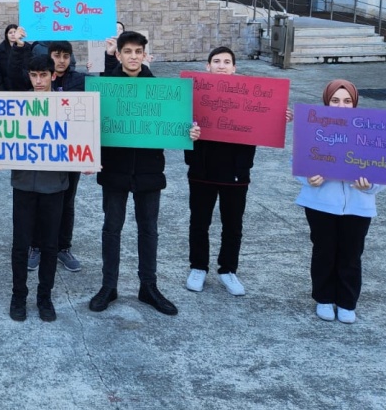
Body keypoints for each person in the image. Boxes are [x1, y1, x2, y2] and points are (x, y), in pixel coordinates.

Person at [89, 31, 201, 316]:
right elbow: (89, 126)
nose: (133, 57)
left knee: (148, 230)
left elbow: (175, 126)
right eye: (128, 51)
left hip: (150, 171)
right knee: (111, 229)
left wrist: (188, 132)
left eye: (138, 51)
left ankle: (148, 286)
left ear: (145, 54)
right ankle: (109, 286)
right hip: (114, 170)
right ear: (118, 54)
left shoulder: (162, 90)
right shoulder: (104, 88)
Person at [184, 47, 274, 297]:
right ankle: (198, 267)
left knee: (232, 224)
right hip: (202, 170)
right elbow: (178, 123)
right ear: (207, 66)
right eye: (216, 61)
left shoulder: (250, 97)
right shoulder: (193, 95)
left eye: (226, 62)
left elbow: (268, 118)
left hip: (235, 173)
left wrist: (281, 115)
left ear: (234, 68)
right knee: (199, 223)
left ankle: (228, 269)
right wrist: (188, 134)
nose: (221, 65)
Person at [297, 80, 384, 324]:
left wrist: (371, 185)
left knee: (351, 254)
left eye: (347, 101)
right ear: (326, 102)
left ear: (355, 104)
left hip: (358, 206)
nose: (341, 106)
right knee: (324, 251)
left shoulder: (371, 132)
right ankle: (324, 298)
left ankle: (347, 302)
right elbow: (300, 164)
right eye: (335, 100)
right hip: (321, 204)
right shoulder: (313, 128)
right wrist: (309, 179)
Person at [7, 56, 68, 323]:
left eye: (43, 75)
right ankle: (18, 295)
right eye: (34, 75)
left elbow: (80, 135)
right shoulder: (16, 105)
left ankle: (45, 296)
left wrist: (87, 160)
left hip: (54, 184)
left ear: (53, 76)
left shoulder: (68, 105)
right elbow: (4, 134)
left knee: (50, 244)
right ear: (29, 77)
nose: (39, 81)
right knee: (20, 244)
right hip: (23, 183)